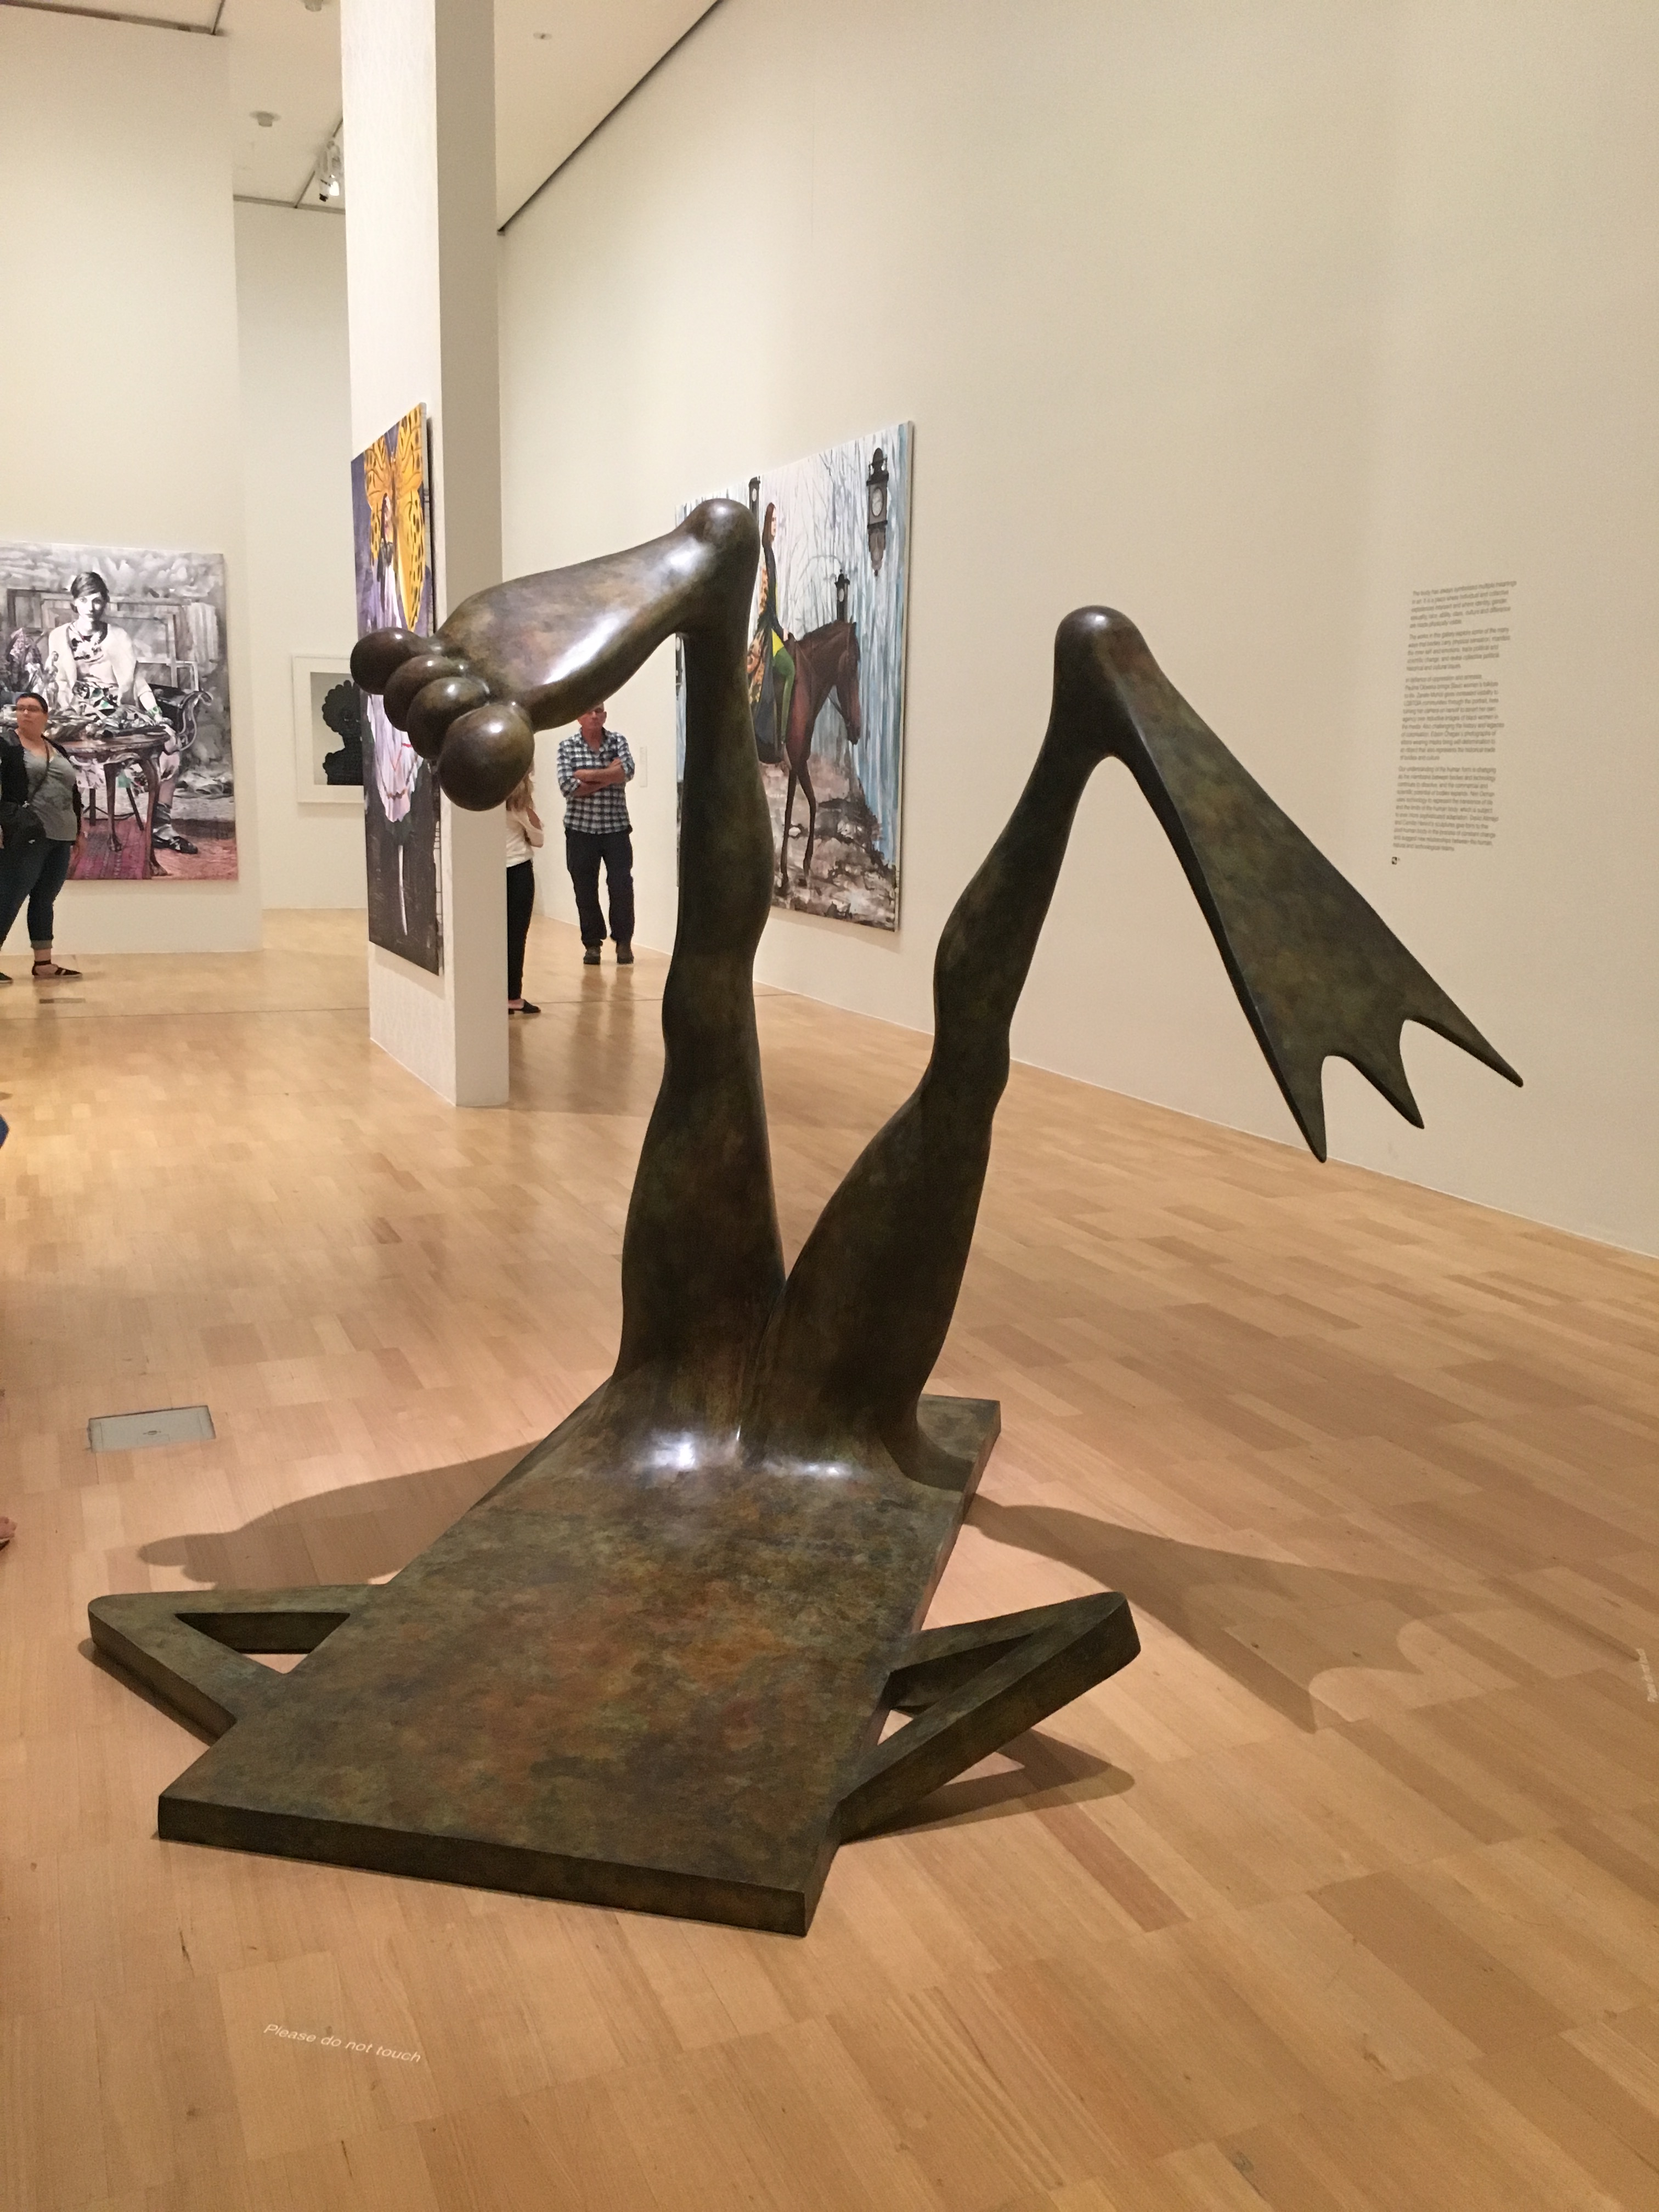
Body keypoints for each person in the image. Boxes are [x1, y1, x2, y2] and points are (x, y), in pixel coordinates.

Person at [43, 572, 196, 855]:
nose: (91, 607)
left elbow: (137, 682)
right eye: (84, 600)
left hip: (117, 712)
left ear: (105, 602)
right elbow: (55, 682)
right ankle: (62, 830)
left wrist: (157, 716)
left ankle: (161, 828)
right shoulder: (59, 637)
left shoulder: (118, 636)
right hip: (76, 713)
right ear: (75, 603)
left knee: (171, 750)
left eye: (97, 600)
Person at [0, 692, 82, 982]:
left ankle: (44, 964)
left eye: (33, 709)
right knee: (9, 896)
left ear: (45, 716)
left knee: (45, 899)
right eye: (21, 709)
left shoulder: (56, 748)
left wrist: (79, 831)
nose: (25, 714)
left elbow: (72, 792)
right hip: (26, 833)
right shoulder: (7, 746)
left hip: (61, 835)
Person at [555, 701, 635, 966]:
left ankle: (624, 942)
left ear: (605, 715)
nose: (594, 715)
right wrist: (610, 775)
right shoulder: (567, 746)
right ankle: (592, 945)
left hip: (616, 828)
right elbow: (568, 787)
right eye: (589, 711)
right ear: (578, 717)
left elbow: (627, 771)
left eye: (599, 711)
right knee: (585, 889)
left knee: (621, 886)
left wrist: (587, 775)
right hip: (580, 830)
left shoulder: (618, 741)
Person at [505, 768, 544, 1015]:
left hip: (488, 873)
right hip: (517, 870)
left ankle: (490, 993)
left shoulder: (482, 796)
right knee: (516, 936)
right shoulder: (518, 802)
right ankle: (512, 997)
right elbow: (539, 839)